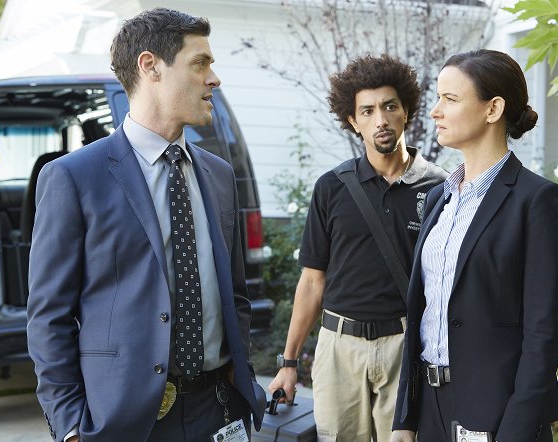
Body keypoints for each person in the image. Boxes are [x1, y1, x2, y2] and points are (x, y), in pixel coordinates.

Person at [26, 8, 265, 442]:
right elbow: (48, 318)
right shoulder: (73, 177)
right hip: (126, 421)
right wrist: (71, 427)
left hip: (220, 409)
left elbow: (235, 294)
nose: (215, 78)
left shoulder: (218, 174)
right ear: (150, 66)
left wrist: (240, 370)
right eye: (201, 63)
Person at [390, 49, 558, 442]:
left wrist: (516, 431)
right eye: (437, 98)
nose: (435, 111)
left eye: (450, 99)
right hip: (431, 411)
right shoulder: (440, 197)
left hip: (499, 411)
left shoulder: (536, 200)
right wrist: (405, 417)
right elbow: (421, 311)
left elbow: (541, 334)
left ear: (493, 109)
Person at [268, 54, 447, 442]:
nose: (380, 119)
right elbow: (313, 281)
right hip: (338, 347)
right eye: (367, 111)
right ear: (353, 121)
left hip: (405, 347)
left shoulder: (440, 187)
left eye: (389, 106)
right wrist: (288, 362)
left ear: (406, 112)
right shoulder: (331, 188)